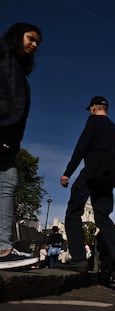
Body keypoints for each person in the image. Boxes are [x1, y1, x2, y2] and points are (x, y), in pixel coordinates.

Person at [59, 96, 115, 275]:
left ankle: (79, 258)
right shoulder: (114, 128)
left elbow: (81, 147)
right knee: (102, 216)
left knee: (73, 211)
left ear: (93, 108)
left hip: (91, 172)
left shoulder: (93, 122)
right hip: (108, 176)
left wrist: (68, 172)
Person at [0, 22, 42, 269]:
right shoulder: (3, 51)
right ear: (17, 36)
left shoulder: (20, 70)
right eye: (31, 38)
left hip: (8, 139)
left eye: (37, 42)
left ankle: (3, 248)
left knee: (8, 183)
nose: (34, 44)